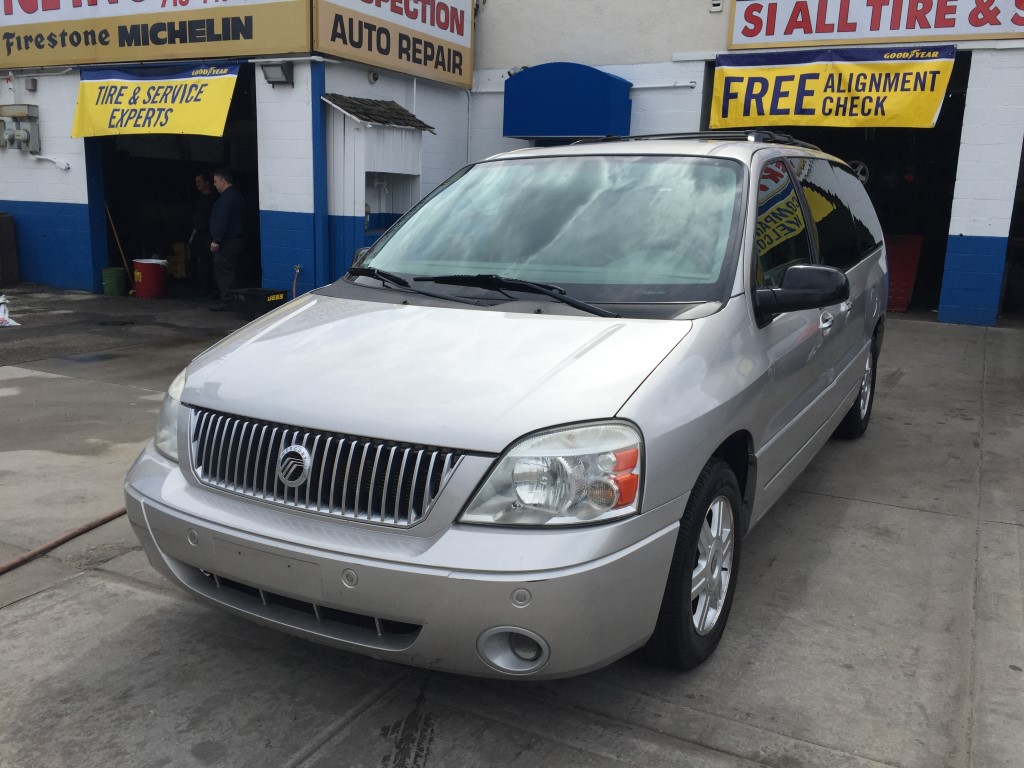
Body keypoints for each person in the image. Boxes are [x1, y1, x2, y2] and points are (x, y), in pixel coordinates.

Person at [209, 168, 246, 311]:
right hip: (238, 240)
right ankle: (235, 298)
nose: (214, 185)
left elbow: (222, 220)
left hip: (228, 242)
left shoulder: (226, 199)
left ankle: (227, 300)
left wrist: (216, 240)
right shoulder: (237, 196)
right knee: (233, 269)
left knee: (224, 270)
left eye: (215, 181)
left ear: (223, 182)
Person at [189, 173, 217, 300]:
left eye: (200, 181)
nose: (197, 184)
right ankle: (205, 289)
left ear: (207, 182)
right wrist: (193, 235)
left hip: (210, 235)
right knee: (203, 263)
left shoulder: (214, 198)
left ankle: (215, 291)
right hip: (199, 235)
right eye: (196, 181)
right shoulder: (199, 198)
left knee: (213, 263)